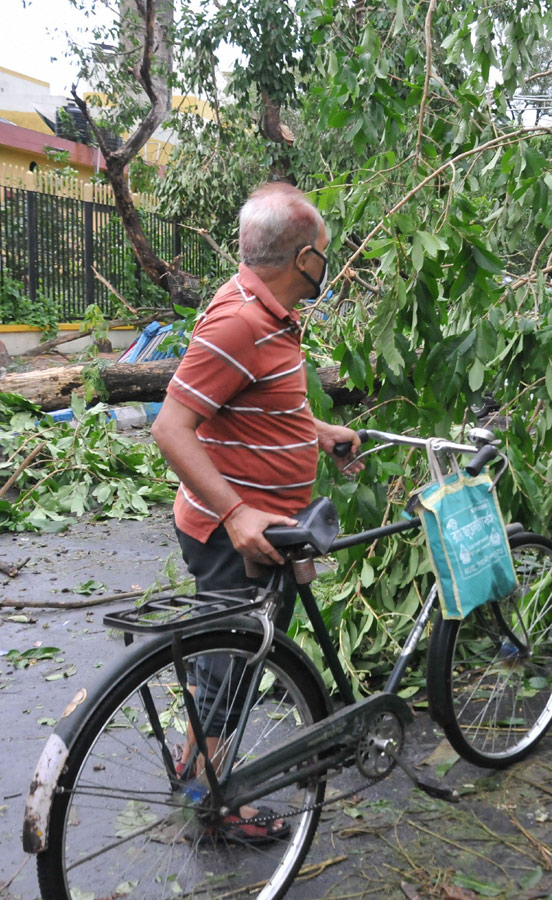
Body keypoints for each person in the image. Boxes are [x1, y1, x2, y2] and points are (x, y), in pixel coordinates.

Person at [151, 182, 363, 842]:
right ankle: (213, 807)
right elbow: (171, 428)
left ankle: (195, 772)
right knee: (230, 675)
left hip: (266, 529)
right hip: (237, 538)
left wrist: (315, 432)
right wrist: (239, 513)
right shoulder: (241, 320)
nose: (328, 264)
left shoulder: (269, 311)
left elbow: (255, 403)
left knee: (229, 668)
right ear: (303, 259)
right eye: (324, 253)